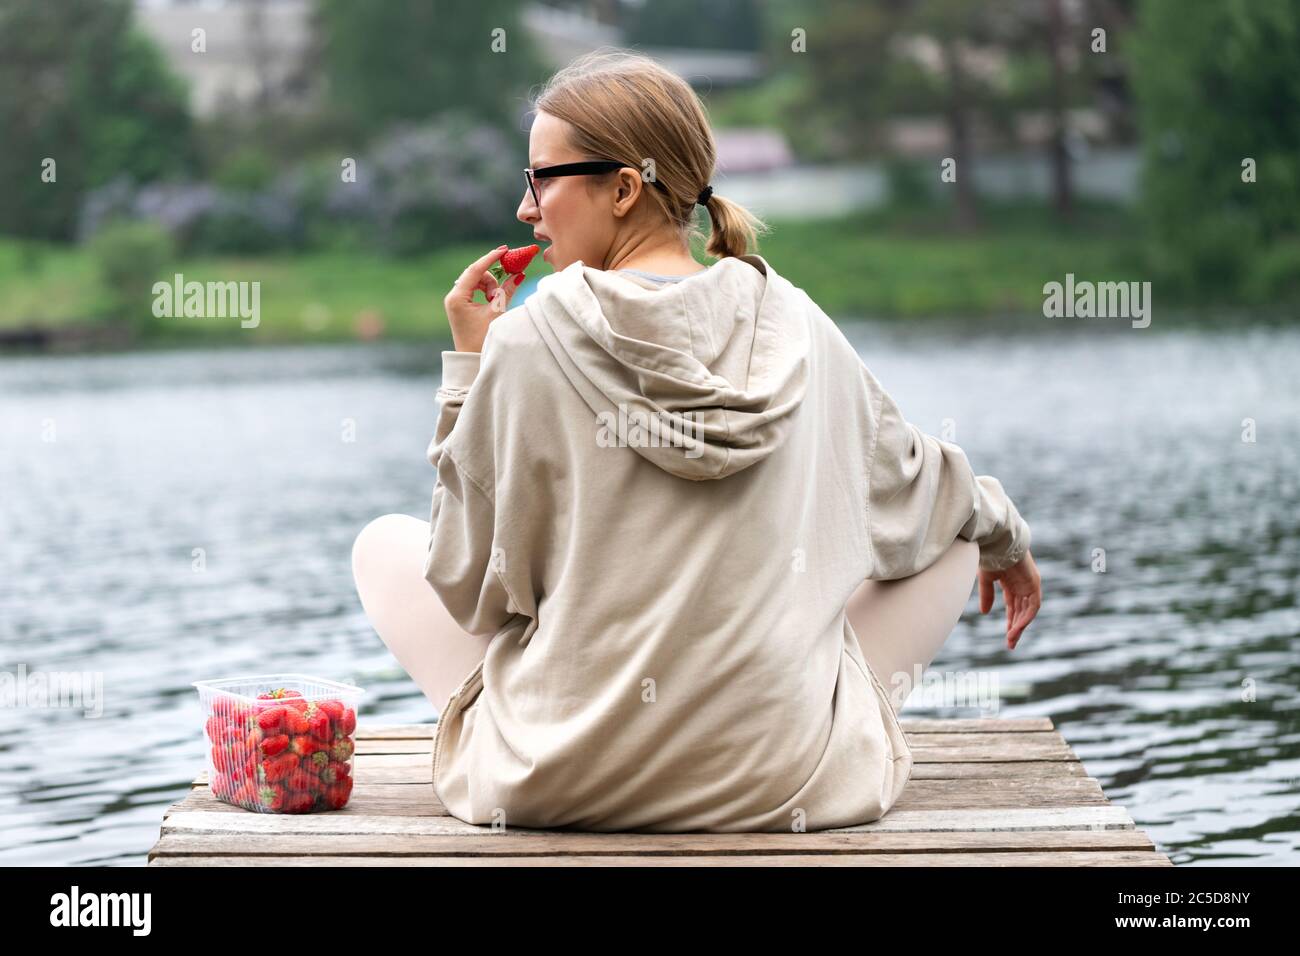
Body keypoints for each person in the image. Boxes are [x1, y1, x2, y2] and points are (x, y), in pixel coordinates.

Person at [352, 50, 1042, 833]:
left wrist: (469, 375)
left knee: (383, 546)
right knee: (957, 533)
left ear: (622, 188)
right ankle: (776, 724)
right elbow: (919, 483)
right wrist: (1002, 537)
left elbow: (468, 591)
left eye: (541, 178)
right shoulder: (799, 327)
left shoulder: (526, 343)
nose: (524, 208)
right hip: (779, 785)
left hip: (558, 781)